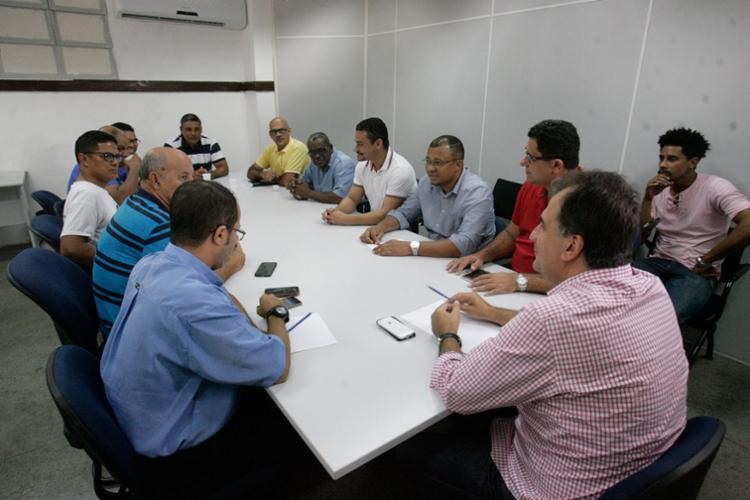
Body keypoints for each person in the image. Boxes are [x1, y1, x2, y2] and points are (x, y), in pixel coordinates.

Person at [409, 171, 689, 499]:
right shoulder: (649, 286)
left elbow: (456, 392)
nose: (534, 235)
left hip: (557, 488)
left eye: (543, 225)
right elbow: (574, 335)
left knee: (412, 446)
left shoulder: (553, 320)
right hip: (640, 468)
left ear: (571, 245)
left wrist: (448, 337)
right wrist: (494, 313)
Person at [100, 181, 296, 498]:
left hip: (141, 416)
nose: (235, 241)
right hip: (178, 455)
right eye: (236, 233)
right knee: (293, 425)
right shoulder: (194, 306)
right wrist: (276, 315)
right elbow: (277, 365)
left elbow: (215, 295)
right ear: (220, 235)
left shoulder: (151, 264)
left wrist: (232, 310)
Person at [92, 147, 246, 336]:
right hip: (130, 330)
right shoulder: (157, 223)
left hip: (121, 314)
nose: (191, 185)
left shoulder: (138, 202)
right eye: (183, 177)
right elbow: (190, 289)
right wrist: (232, 264)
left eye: (191, 177)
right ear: (155, 180)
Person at [447, 119, 580, 295]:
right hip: (513, 281)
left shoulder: (587, 205)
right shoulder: (531, 186)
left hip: (551, 295)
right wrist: (481, 255)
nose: (523, 162)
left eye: (531, 158)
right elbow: (512, 233)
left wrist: (520, 281)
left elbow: (582, 281)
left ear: (556, 165)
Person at [632, 127, 750, 323]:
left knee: (662, 322)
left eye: (672, 159)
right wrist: (647, 198)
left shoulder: (715, 187)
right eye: (661, 157)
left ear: (693, 162)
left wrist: (707, 259)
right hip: (656, 262)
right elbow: (643, 233)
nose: (662, 164)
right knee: (610, 297)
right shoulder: (659, 188)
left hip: (693, 271)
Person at [360, 135, 495, 258]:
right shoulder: (427, 182)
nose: (430, 168)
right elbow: (404, 213)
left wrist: (411, 247)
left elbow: (464, 244)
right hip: (432, 255)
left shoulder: (478, 192)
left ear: (458, 165)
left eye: (438, 163)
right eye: (428, 161)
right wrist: (379, 228)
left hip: (468, 262)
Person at [322, 117, 416, 225]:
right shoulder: (362, 166)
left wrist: (344, 219)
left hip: (398, 229)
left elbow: (385, 214)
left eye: (360, 144)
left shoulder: (401, 170)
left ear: (378, 144)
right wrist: (335, 213)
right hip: (375, 225)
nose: (355, 149)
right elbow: (352, 199)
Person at [60, 130, 120, 268]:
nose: (115, 163)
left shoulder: (96, 190)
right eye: (108, 156)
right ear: (84, 159)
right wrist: (117, 261)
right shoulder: (86, 195)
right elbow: (71, 247)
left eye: (117, 157)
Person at [66, 125, 140, 204]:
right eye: (120, 148)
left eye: (128, 148)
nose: (126, 154)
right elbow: (119, 199)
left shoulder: (122, 165)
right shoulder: (96, 168)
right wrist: (135, 169)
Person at [287, 132, 356, 203]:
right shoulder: (314, 164)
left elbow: (339, 197)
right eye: (313, 152)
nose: (317, 156)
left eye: (321, 150)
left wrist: (307, 193)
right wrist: (296, 187)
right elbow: (306, 183)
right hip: (322, 208)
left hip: (350, 211)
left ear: (331, 148)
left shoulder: (344, 163)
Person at [246, 116, 308, 187]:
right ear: (270, 135)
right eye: (274, 132)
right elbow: (250, 172)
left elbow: (288, 181)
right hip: (280, 192)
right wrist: (262, 174)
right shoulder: (270, 149)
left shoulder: (298, 147)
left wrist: (273, 178)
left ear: (289, 131)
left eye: (281, 130)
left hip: (301, 194)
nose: (278, 134)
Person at [165, 113, 229, 180]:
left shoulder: (211, 144)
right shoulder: (171, 147)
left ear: (201, 129)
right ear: (181, 130)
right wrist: (191, 176)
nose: (193, 133)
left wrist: (206, 175)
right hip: (182, 187)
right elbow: (166, 174)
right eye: (188, 129)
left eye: (197, 129)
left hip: (204, 185)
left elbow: (224, 168)